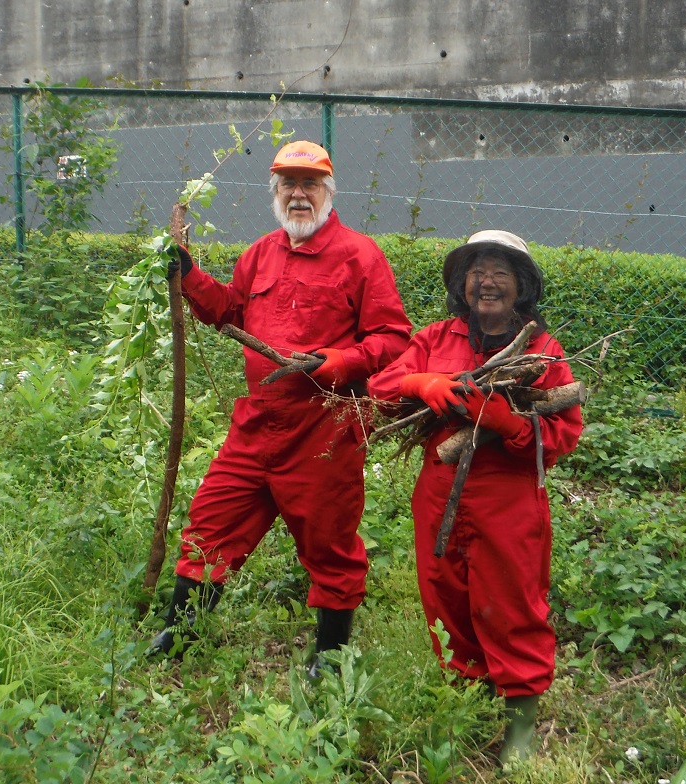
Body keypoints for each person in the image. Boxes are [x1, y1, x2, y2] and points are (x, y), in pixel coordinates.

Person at [149, 140, 413, 673]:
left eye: (309, 184)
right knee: (211, 523)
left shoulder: (361, 256)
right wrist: (188, 274)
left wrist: (337, 362)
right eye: (288, 184)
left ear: (328, 192)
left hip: (325, 431)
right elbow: (229, 311)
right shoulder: (259, 254)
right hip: (256, 425)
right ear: (274, 193)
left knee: (329, 543)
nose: (298, 194)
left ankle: (332, 656)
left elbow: (392, 337)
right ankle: (179, 635)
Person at [366, 230, 582, 765]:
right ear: (462, 286)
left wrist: (512, 425)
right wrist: (421, 385)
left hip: (507, 499)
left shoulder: (540, 351)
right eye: (477, 272)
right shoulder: (435, 339)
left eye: (500, 273)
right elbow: (380, 388)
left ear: (522, 288)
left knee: (511, 606)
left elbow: (563, 433)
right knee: (446, 600)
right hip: (439, 494)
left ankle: (519, 733)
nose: (487, 282)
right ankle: (467, 705)